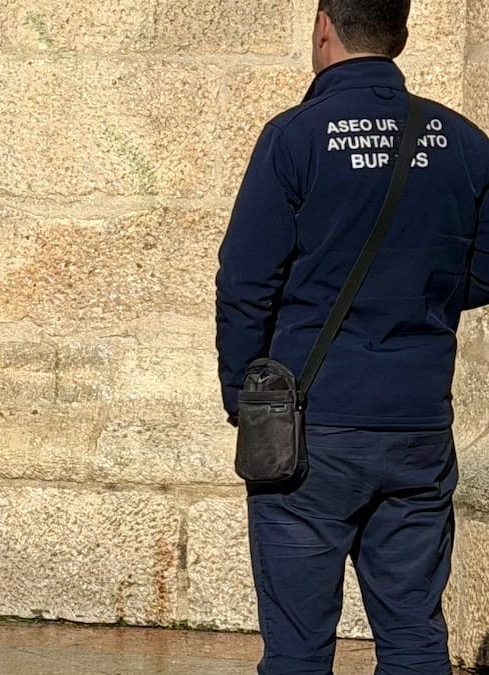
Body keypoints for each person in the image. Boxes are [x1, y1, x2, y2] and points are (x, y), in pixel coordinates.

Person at [215, 1, 489, 672]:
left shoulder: (295, 138)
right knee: (415, 635)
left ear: (323, 25)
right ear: (401, 33)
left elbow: (245, 282)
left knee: (298, 648)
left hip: (310, 431)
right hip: (417, 423)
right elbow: (480, 274)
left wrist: (243, 399)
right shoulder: (463, 141)